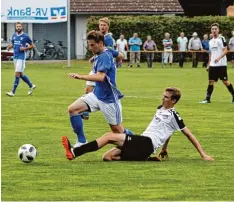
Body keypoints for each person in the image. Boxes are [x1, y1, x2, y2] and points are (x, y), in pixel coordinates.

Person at [62, 87, 214, 162]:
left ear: (173, 101)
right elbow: (168, 131)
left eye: (166, 97)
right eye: (163, 96)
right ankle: (146, 159)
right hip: (143, 146)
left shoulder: (175, 115)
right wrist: (164, 148)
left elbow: (188, 134)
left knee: (109, 136)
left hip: (146, 143)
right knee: (107, 157)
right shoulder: (160, 108)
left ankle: (75, 152)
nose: (162, 99)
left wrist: (203, 154)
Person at [67, 30, 133, 148]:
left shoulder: (104, 56)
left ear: (101, 44)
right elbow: (119, 55)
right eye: (89, 44)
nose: (90, 47)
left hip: (109, 100)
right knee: (73, 109)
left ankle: (138, 142)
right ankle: (81, 141)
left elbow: (100, 77)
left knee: (118, 132)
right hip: (97, 95)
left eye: (92, 45)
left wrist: (80, 76)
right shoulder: (104, 52)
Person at [199, 23, 234, 104]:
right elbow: (211, 54)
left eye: (215, 29)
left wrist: (219, 58)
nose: (214, 30)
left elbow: (225, 51)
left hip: (221, 64)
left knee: (225, 81)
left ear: (218, 30)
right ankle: (207, 99)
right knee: (211, 81)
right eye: (213, 29)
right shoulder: (210, 41)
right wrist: (208, 65)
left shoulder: (221, 39)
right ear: (211, 31)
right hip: (213, 65)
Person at [6, 22, 36, 97]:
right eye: (17, 26)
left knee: (17, 73)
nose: (18, 28)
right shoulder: (14, 35)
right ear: (16, 27)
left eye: (19, 26)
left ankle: (13, 92)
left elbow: (32, 45)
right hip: (15, 56)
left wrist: (25, 48)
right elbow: (13, 44)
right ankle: (31, 85)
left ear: (22, 27)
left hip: (21, 57)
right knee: (21, 74)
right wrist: (10, 47)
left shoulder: (25, 36)